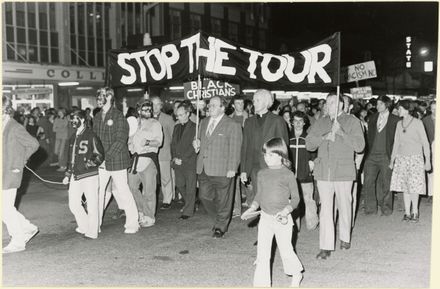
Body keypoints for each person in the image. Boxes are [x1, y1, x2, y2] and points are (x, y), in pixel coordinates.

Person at [306, 93, 365, 260]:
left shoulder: (352, 121)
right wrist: (324, 136)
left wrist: (341, 132)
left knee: (345, 205)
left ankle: (345, 237)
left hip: (344, 172)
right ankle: (326, 245)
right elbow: (309, 144)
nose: (329, 104)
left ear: (341, 105)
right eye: (327, 102)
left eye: (332, 102)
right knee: (325, 209)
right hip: (324, 171)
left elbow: (360, 146)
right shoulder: (321, 121)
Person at [242, 138, 303, 287]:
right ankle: (262, 284)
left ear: (281, 156)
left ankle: (296, 273)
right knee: (262, 253)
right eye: (265, 155)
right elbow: (259, 195)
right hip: (265, 218)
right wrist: (252, 208)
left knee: (286, 250)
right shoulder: (262, 173)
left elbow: (296, 199)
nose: (266, 158)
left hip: (283, 219)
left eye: (270, 155)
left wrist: (285, 211)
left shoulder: (287, 174)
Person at [193, 96, 242, 238]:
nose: (210, 107)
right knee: (204, 196)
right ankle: (219, 219)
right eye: (209, 105)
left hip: (222, 168)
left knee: (223, 200)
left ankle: (220, 226)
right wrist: (196, 142)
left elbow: (235, 147)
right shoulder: (203, 121)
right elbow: (200, 141)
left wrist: (233, 167)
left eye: (214, 105)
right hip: (203, 167)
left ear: (223, 108)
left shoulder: (232, 125)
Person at [93, 87, 139, 234]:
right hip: (102, 162)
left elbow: (120, 141)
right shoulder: (96, 117)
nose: (98, 99)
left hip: (117, 161)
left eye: (101, 96)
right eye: (98, 96)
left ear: (110, 97)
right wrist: (96, 158)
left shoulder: (119, 117)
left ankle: (133, 224)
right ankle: (95, 223)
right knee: (98, 193)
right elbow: (94, 140)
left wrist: (105, 158)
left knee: (124, 192)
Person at [2, 95, 40, 253]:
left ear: (4, 108)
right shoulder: (2, 125)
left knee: (5, 208)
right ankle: (28, 228)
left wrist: (20, 162)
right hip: (2, 171)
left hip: (11, 172)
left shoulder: (14, 126)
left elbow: (34, 144)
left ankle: (18, 240)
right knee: (4, 208)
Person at [240, 89, 289, 207]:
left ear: (266, 102)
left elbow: (283, 147)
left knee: (273, 198)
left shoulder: (278, 120)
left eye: (257, 100)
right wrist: (244, 170)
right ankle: (262, 223)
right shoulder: (248, 122)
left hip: (273, 168)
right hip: (255, 169)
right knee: (259, 198)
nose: (254, 103)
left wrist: (283, 169)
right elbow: (245, 146)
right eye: (254, 100)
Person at [62, 110, 104, 239]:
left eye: (76, 119)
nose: (73, 122)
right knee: (73, 204)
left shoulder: (91, 135)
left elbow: (99, 155)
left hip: (89, 175)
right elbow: (71, 159)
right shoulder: (72, 137)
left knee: (92, 204)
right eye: (71, 119)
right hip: (76, 175)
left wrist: (87, 165)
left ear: (83, 120)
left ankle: (92, 232)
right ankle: (85, 226)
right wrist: (67, 175)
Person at [390, 100, 431, 222]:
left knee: (414, 187)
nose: (398, 110)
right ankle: (407, 213)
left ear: (408, 109)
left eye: (400, 108)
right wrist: (392, 160)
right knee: (405, 187)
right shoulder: (398, 124)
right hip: (402, 158)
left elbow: (425, 143)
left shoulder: (418, 123)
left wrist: (427, 160)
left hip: (415, 159)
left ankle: (415, 212)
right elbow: (396, 143)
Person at [363, 95, 400, 216]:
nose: (377, 106)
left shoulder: (395, 120)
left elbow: (398, 140)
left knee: (387, 183)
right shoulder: (372, 118)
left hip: (386, 156)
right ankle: (370, 208)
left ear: (387, 105)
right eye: (377, 104)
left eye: (380, 104)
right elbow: (369, 137)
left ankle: (386, 209)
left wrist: (394, 158)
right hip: (371, 156)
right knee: (368, 182)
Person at [128, 100, 163, 228]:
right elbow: (129, 139)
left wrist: (147, 142)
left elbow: (159, 142)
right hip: (135, 160)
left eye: (150, 109)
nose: (148, 112)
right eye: (145, 109)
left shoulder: (155, 124)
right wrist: (130, 145)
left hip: (149, 159)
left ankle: (149, 216)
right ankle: (141, 210)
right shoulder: (133, 123)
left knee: (149, 190)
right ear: (139, 111)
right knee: (131, 187)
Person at [289, 111, 319, 230]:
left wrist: (312, 162)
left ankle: (312, 223)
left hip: (305, 174)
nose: (298, 124)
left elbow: (314, 153)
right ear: (291, 122)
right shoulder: (288, 138)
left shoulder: (308, 137)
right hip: (291, 175)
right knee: (293, 200)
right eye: (295, 121)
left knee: (308, 199)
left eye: (300, 121)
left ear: (304, 123)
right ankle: (294, 225)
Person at [171, 103, 197, 219]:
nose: (179, 117)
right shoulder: (176, 127)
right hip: (177, 162)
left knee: (191, 187)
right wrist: (174, 158)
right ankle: (190, 203)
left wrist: (183, 158)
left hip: (189, 162)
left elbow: (194, 147)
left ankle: (188, 211)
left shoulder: (195, 127)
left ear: (188, 114)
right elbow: (173, 145)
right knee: (179, 184)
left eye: (181, 115)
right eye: (177, 115)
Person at [151, 96, 175, 210]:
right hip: (149, 154)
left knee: (166, 178)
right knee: (151, 178)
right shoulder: (146, 118)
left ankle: (167, 200)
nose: (155, 107)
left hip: (164, 153)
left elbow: (173, 136)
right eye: (153, 104)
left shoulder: (168, 119)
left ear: (161, 105)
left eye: (157, 104)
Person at [422, 100, 435, 202]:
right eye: (433, 109)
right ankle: (431, 193)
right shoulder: (425, 120)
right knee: (431, 172)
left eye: (437, 108)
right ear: (430, 109)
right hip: (431, 148)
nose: (435, 111)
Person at [53, 108, 69, 172]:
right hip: (58, 137)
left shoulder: (66, 119)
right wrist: (61, 128)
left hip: (64, 137)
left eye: (60, 112)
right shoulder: (56, 119)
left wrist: (58, 128)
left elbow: (65, 127)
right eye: (58, 112)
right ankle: (61, 163)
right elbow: (53, 129)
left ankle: (62, 166)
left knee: (61, 152)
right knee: (56, 151)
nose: (59, 113)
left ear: (63, 112)